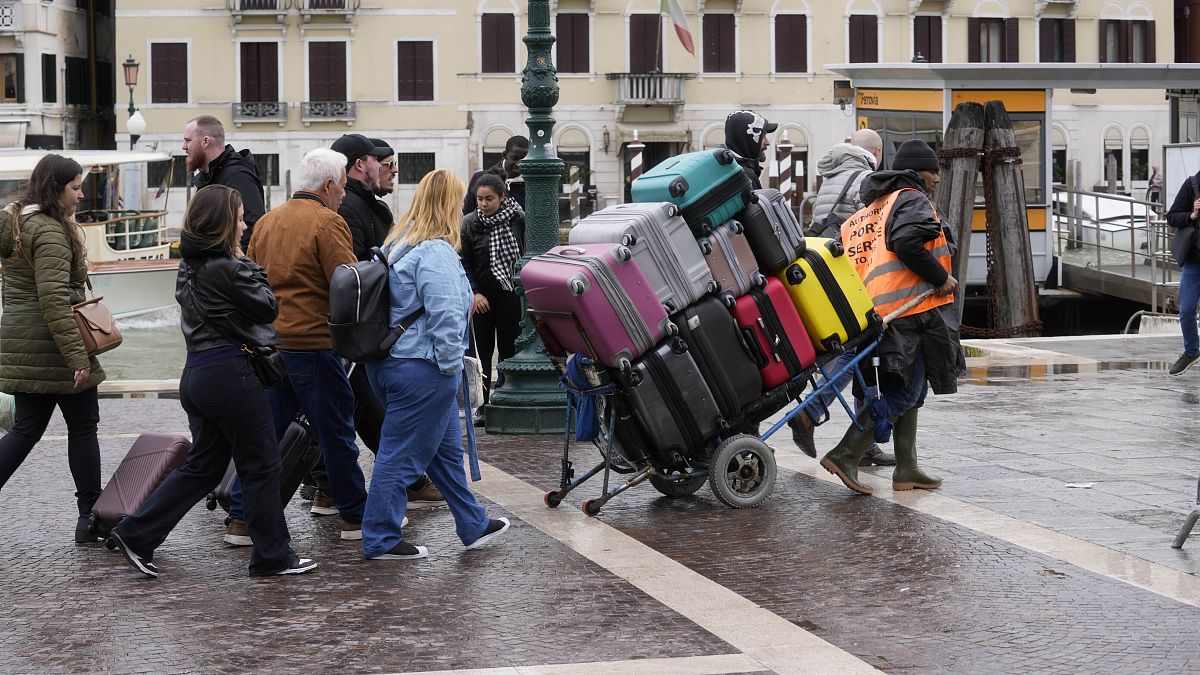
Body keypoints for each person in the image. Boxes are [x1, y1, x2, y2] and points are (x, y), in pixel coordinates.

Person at [106, 185, 317, 578]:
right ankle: (273, 556)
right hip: (229, 373)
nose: (245, 224)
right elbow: (267, 306)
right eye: (238, 217)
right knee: (261, 463)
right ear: (223, 224)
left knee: (204, 466)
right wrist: (251, 265)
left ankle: (136, 533)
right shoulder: (228, 267)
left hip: (198, 373)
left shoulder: (189, 265)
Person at [363, 168, 511, 560]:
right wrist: (449, 370)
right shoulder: (436, 251)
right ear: (450, 205)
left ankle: (472, 522)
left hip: (393, 362)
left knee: (444, 452)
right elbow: (447, 316)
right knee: (399, 455)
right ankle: (381, 538)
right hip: (423, 369)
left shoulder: (400, 243)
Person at [240, 148, 369, 541]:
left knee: (266, 437)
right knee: (336, 432)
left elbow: (250, 280)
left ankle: (241, 517)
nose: (345, 195)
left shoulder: (265, 223)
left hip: (271, 346)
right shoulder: (328, 222)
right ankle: (354, 515)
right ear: (329, 185)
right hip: (314, 344)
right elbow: (346, 285)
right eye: (344, 187)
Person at [819, 139, 959, 495]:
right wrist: (941, 278)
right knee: (905, 392)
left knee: (910, 388)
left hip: (874, 313)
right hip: (909, 311)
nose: (937, 180)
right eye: (933, 172)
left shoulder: (870, 209)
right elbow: (908, 243)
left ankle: (907, 468)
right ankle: (847, 453)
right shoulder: (911, 198)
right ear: (917, 172)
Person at [0, 154, 105, 544]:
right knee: (83, 427)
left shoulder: (13, 220)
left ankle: (90, 516)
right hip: (55, 347)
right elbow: (54, 299)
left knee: (26, 430)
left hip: (23, 344)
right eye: (75, 188)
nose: (80, 195)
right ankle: (89, 517)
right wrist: (77, 356)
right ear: (54, 188)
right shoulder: (49, 232)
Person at [788, 129, 896, 468]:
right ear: (876, 152)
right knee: (859, 349)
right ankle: (813, 412)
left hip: (828, 272)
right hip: (854, 277)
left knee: (864, 354)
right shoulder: (867, 178)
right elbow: (873, 229)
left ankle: (864, 442)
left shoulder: (832, 175)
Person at [460, 172, 526, 425]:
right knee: (483, 354)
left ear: (502, 197)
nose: (484, 204)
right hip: (482, 296)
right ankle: (484, 405)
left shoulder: (517, 219)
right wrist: (474, 293)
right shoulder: (469, 223)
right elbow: (464, 262)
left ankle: (508, 400)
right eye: (479, 199)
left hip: (510, 292)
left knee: (509, 349)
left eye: (489, 199)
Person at [184, 115, 266, 249]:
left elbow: (251, 229)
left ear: (205, 141)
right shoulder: (210, 177)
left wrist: (234, 265)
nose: (184, 147)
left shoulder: (237, 176)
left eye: (188, 140)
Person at [332, 133, 393, 261]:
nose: (379, 166)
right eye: (376, 160)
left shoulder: (364, 201)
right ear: (360, 164)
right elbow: (354, 270)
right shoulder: (346, 208)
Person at [1166, 167, 1200, 375]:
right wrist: (1192, 214)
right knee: (1186, 309)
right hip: (1194, 262)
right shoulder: (1192, 185)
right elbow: (1172, 217)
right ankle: (1192, 351)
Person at [463, 135, 528, 214]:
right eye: (515, 158)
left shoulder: (531, 185)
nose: (519, 164)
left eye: (524, 159)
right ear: (505, 155)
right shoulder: (480, 178)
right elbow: (467, 213)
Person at [723, 110, 778, 190]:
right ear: (747, 139)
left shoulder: (725, 168)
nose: (767, 142)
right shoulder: (745, 176)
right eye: (763, 136)